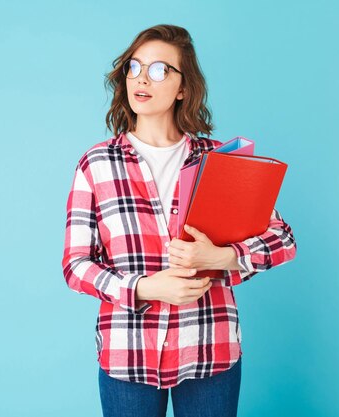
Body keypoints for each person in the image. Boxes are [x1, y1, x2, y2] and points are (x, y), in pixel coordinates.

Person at [61, 24, 297, 417]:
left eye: (159, 70)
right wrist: (144, 287)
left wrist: (224, 257)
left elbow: (283, 239)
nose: (141, 78)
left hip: (209, 347)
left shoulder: (219, 161)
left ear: (183, 87)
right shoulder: (96, 164)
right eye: (134, 67)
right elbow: (75, 265)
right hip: (128, 354)